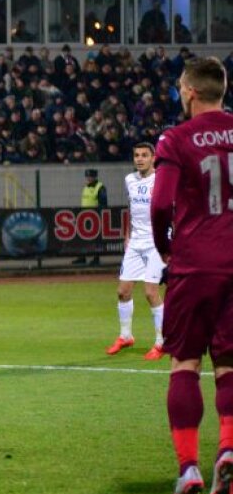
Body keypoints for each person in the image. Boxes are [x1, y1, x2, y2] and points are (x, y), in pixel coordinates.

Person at [150, 56, 233, 494]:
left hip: (195, 264)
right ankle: (228, 451)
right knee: (229, 365)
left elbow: (160, 204)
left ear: (189, 92)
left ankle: (188, 468)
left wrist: (166, 247)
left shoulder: (176, 139)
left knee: (184, 362)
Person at [106, 142, 166, 359]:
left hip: (156, 243)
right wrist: (127, 237)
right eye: (136, 155)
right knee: (122, 291)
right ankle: (126, 336)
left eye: (144, 155)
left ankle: (162, 342)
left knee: (151, 293)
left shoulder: (161, 179)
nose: (140, 159)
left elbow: (172, 210)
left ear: (153, 158)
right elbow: (132, 210)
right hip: (135, 243)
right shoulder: (129, 180)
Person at [73, 168, 107, 266]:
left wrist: (99, 215)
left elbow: (103, 204)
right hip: (85, 216)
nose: (89, 178)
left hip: (95, 216)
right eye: (87, 176)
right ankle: (82, 257)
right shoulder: (86, 187)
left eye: (91, 176)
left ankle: (96, 258)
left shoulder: (100, 187)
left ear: (95, 177)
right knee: (83, 238)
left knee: (96, 238)